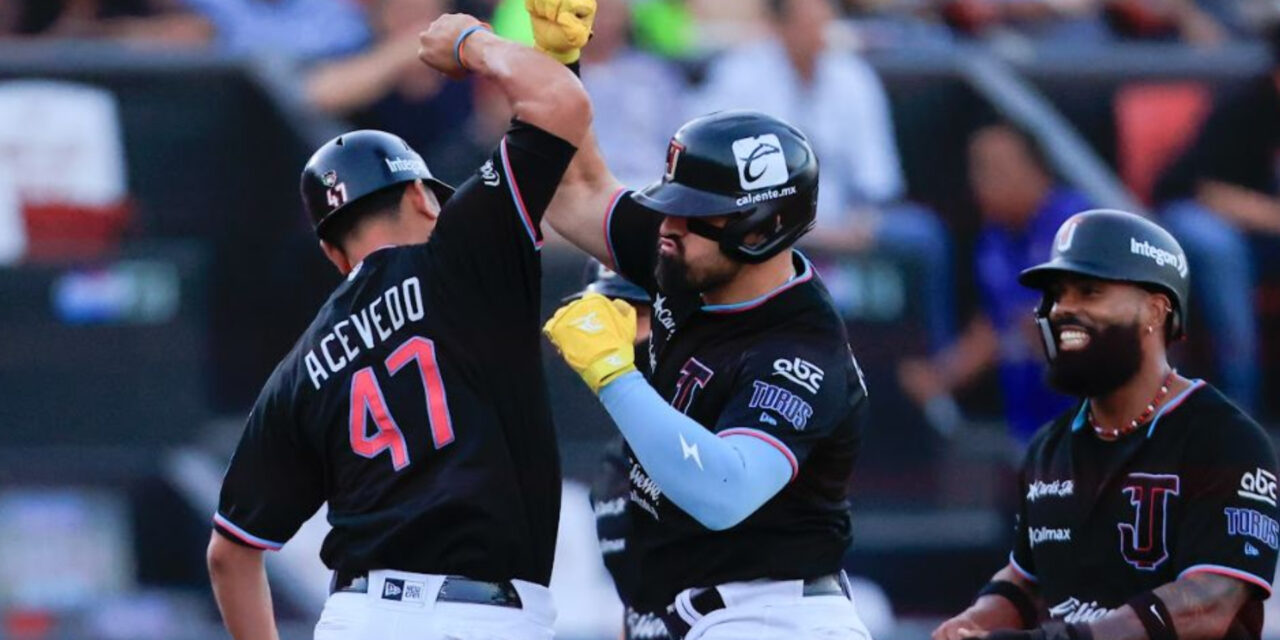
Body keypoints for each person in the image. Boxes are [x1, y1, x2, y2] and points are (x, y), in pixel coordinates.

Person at [205, 13, 590, 640]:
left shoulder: (299, 367)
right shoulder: (467, 247)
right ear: (420, 197)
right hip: (481, 616)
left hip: (356, 617)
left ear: (332, 253)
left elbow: (230, 554)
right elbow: (560, 103)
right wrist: (474, 43)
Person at [493, 4, 870, 638]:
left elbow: (725, 491)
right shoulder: (685, 252)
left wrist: (613, 374)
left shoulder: (802, 348)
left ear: (764, 228)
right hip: (686, 612)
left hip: (774, 614)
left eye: (696, 212)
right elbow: (576, 190)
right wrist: (559, 68)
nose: (667, 225)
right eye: (669, 203)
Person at [933, 210, 1278, 640]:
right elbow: (1025, 582)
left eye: (1089, 292)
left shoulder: (1226, 440)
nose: (1062, 310)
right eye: (1057, 295)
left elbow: (1209, 603)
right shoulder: (1049, 448)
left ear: (1155, 310)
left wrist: (1071, 639)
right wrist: (973, 621)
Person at [692, 0, 955, 351]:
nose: (818, 31)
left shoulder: (853, 76)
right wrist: (809, 229)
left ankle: (934, 368)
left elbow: (877, 181)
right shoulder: (739, 75)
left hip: (847, 223)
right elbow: (711, 169)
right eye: (807, 21)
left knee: (923, 234)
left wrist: (861, 222)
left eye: (823, 19)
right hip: (763, 223)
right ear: (781, 25)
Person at [897, 122, 1083, 441]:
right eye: (976, 169)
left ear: (1037, 170)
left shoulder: (1079, 224)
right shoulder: (992, 241)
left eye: (995, 169)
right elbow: (994, 326)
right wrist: (939, 376)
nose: (980, 182)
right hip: (1033, 428)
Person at [1151, 23, 1280, 413]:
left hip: (1259, 238)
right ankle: (1242, 403)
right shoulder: (1247, 106)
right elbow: (1206, 190)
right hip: (1189, 220)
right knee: (1220, 246)